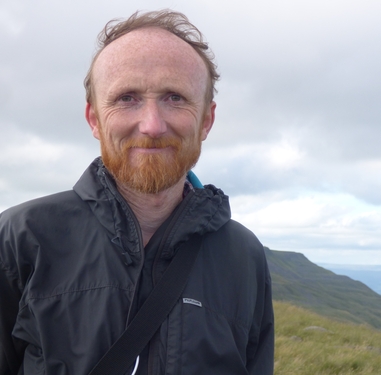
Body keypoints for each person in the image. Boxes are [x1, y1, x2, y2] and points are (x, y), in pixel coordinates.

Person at [0, 9, 274, 375]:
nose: (152, 125)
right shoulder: (21, 238)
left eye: (175, 98)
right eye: (127, 98)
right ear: (94, 119)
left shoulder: (244, 256)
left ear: (206, 120)